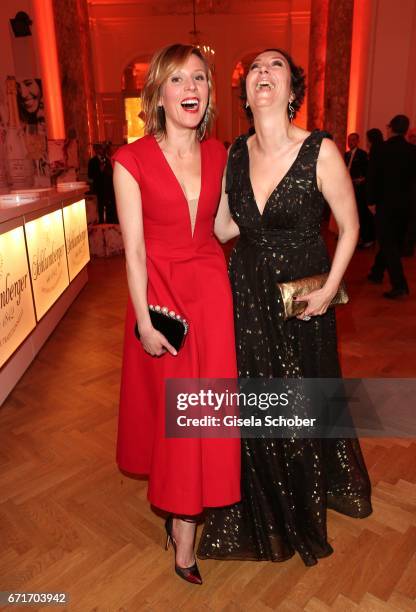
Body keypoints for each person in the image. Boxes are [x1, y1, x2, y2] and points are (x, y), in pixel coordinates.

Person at [198, 48, 372, 567]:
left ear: (291, 90)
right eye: (253, 69)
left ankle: (306, 494)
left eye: (275, 67)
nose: (263, 74)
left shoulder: (319, 150)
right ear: (246, 94)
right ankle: (266, 502)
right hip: (248, 296)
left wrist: (330, 289)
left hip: (304, 299)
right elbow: (226, 228)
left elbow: (350, 225)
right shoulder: (233, 153)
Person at [112, 43, 240, 585]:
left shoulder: (222, 155)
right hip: (161, 297)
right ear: (158, 94)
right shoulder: (130, 160)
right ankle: (181, 524)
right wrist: (144, 320)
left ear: (209, 94)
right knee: (175, 419)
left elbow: (226, 227)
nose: (191, 88)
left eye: (200, 79)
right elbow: (135, 251)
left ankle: (183, 530)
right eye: (179, 80)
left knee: (201, 414)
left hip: (211, 296)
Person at [367, 115, 416, 297]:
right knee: (391, 241)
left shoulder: (381, 149)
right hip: (406, 206)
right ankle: (376, 273)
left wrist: (370, 201)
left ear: (390, 128)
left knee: (388, 243)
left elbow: (373, 176)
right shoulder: (413, 150)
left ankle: (400, 285)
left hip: (385, 204)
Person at [345, 132, 374, 247]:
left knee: (360, 212)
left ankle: (362, 237)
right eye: (349, 140)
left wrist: (362, 179)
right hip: (348, 187)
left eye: (353, 140)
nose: (350, 142)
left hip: (358, 188)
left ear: (357, 141)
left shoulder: (362, 154)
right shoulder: (346, 154)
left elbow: (367, 171)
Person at [88, 143, 117, 224]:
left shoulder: (108, 160)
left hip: (109, 188)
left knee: (110, 207)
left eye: (102, 148)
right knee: (99, 207)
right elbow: (90, 175)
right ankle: (101, 223)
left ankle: (110, 222)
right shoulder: (92, 161)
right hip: (99, 188)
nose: (102, 150)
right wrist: (99, 171)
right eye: (99, 148)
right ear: (95, 150)